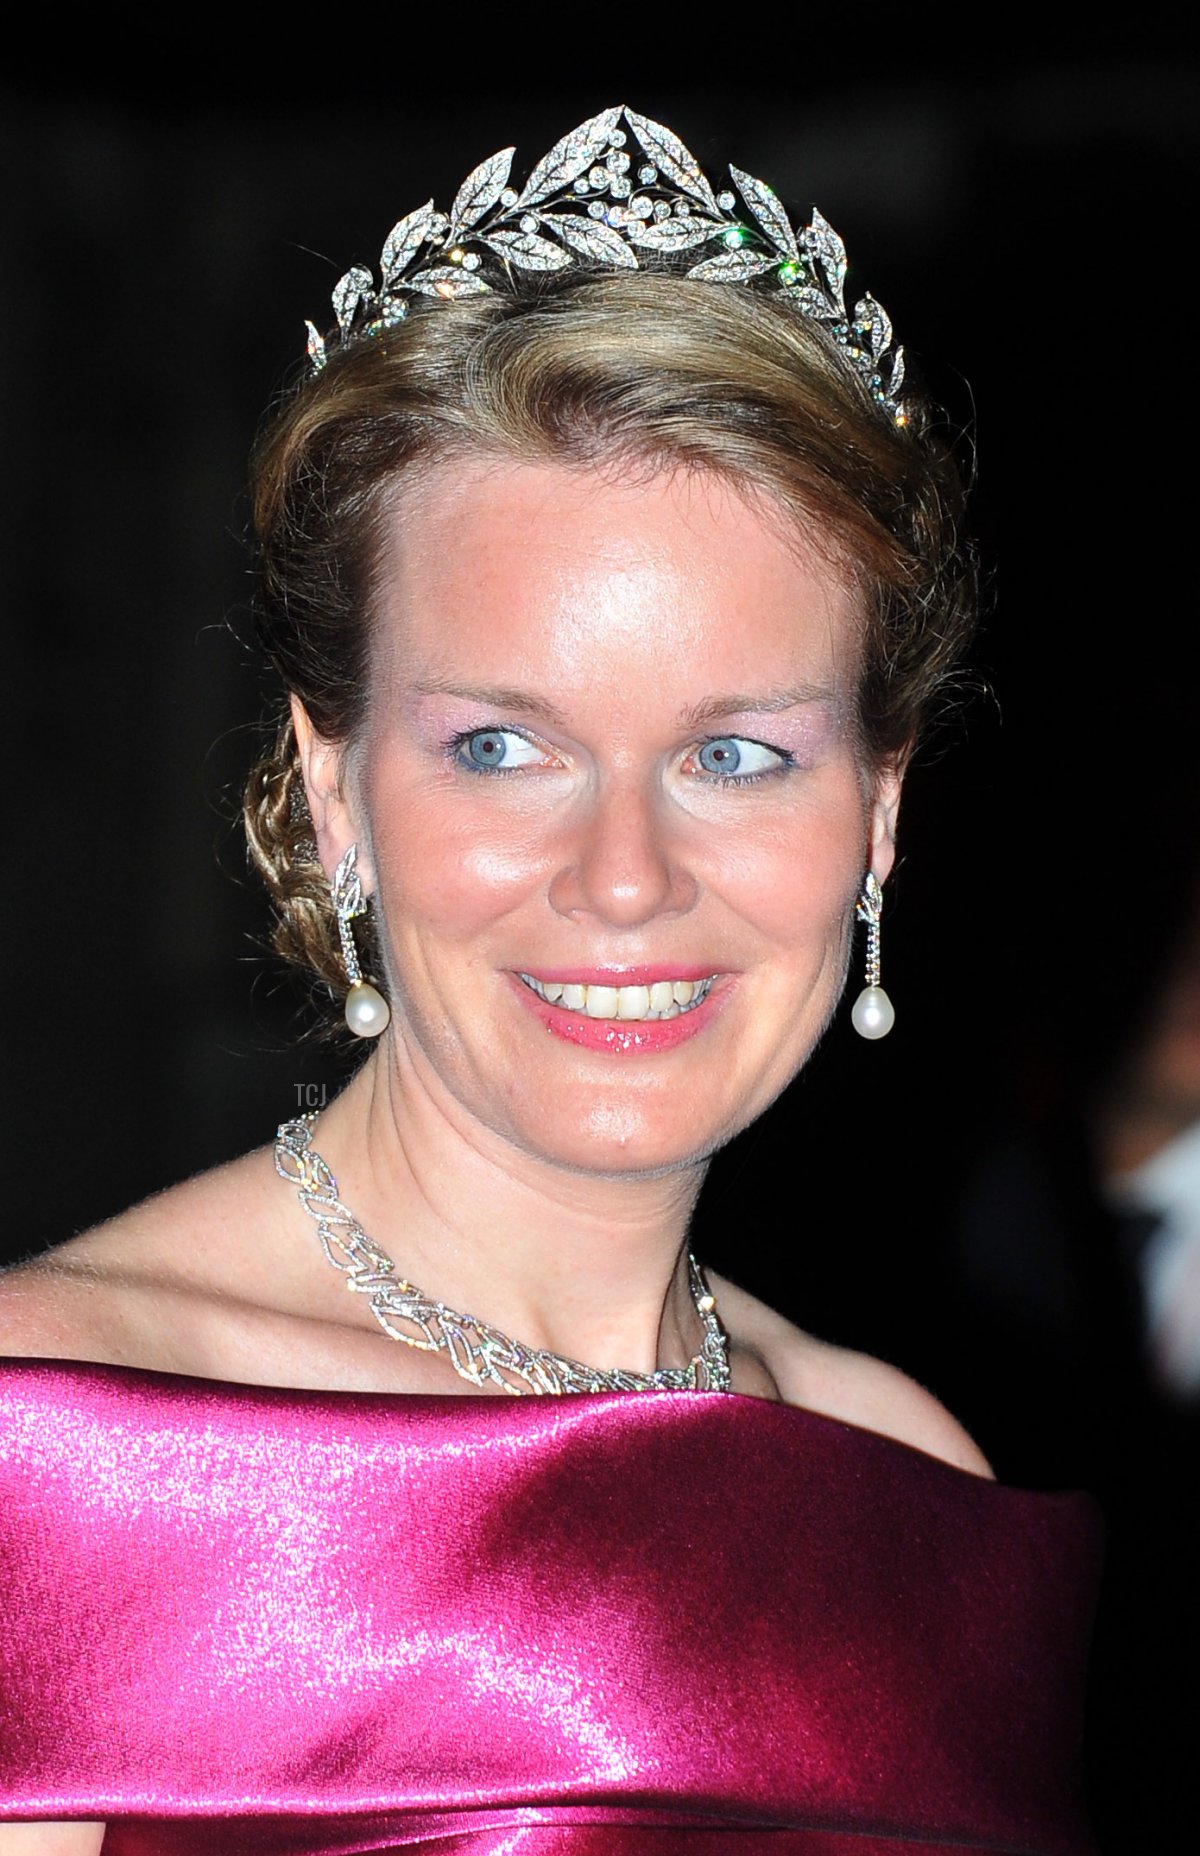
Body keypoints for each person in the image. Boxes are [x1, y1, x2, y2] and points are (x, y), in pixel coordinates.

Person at [0, 107, 1099, 1854]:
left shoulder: (908, 1476)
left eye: (736, 756)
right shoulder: (57, 1446)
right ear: (332, 788)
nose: (624, 875)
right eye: (503, 744)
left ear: (877, 818)